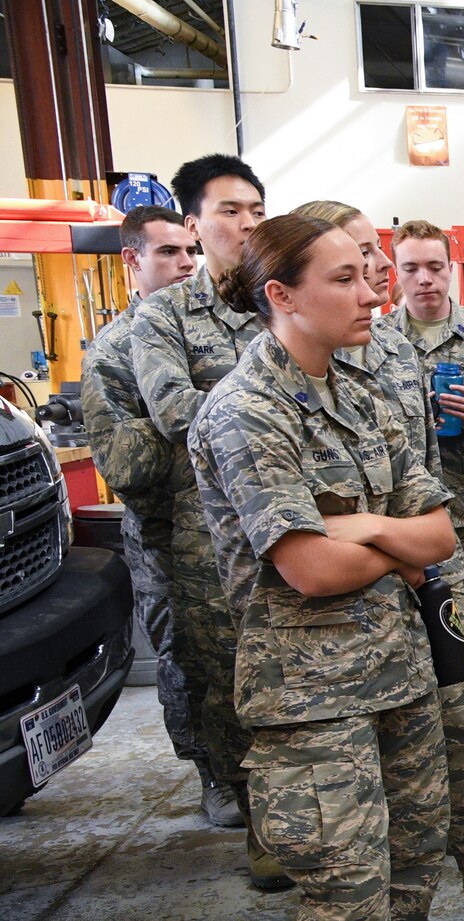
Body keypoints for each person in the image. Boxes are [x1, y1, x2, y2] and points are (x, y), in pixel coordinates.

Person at [188, 213, 464, 921]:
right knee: (341, 891)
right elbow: (307, 570)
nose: (371, 294)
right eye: (348, 278)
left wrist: (369, 531)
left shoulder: (363, 388)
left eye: (372, 275)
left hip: (396, 673)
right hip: (306, 699)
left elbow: (438, 529)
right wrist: (383, 541)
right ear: (283, 294)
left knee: (415, 854)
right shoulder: (243, 410)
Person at [294, 200, 464, 921]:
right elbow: (308, 530)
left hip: (436, 575)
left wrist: (392, 536)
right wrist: (392, 541)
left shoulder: (394, 353)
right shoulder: (295, 373)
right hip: (356, 600)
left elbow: (422, 490)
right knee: (394, 762)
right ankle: (410, 914)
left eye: (375, 255)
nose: (374, 273)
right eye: (359, 259)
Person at [131, 153, 286, 890]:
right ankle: (260, 824)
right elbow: (173, 413)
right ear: (193, 225)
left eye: (256, 208)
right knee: (228, 679)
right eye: (230, 210)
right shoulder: (163, 317)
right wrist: (276, 417)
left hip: (295, 516)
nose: (248, 222)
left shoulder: (280, 299)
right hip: (211, 530)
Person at [80, 205, 234, 827]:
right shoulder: (115, 352)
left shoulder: (215, 327)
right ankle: (213, 774)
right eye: (167, 252)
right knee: (184, 654)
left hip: (230, 525)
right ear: (132, 260)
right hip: (166, 533)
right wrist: (200, 436)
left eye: (188, 251)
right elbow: (126, 463)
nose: (184, 264)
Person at [389, 219, 464, 785]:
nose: (424, 280)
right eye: (411, 267)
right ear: (396, 272)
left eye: (435, 267)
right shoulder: (377, 343)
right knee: (414, 630)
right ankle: (428, 745)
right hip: (408, 519)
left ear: (452, 269)